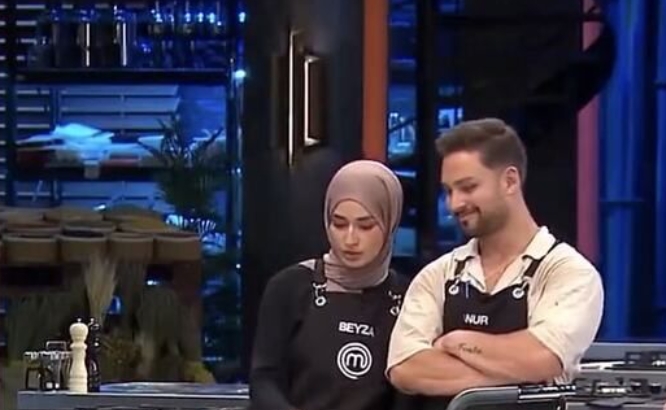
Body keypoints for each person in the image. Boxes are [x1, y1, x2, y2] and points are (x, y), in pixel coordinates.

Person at [386, 118, 604, 407]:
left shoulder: (568, 273)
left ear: (510, 181)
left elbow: (543, 357)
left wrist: (454, 342)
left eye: (467, 187)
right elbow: (405, 368)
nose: (454, 204)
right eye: (449, 191)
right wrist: (518, 376)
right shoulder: (439, 275)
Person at [250, 160, 412, 410]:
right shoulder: (290, 287)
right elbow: (264, 379)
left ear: (390, 223)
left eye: (365, 226)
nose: (350, 239)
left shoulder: (409, 298)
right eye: (339, 223)